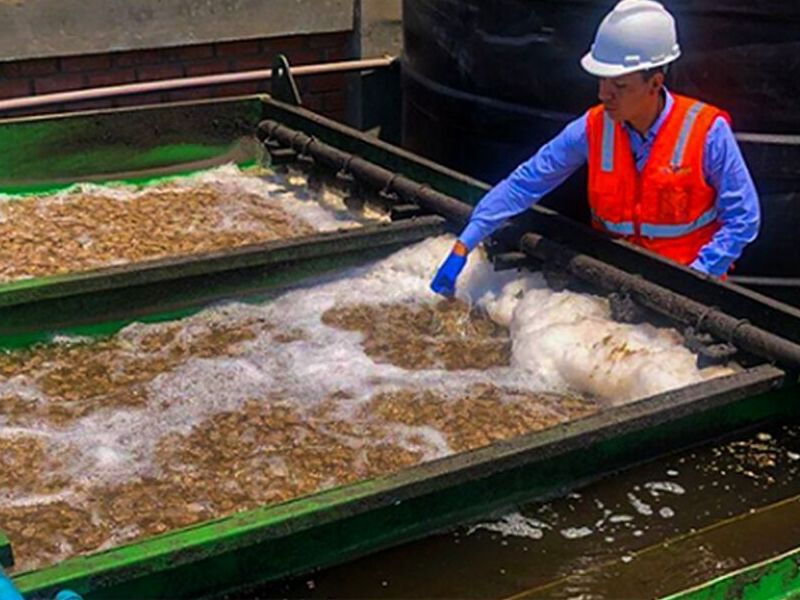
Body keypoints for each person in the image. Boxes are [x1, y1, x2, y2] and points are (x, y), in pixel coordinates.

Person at [431, 0, 760, 297]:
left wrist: (697, 278)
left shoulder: (706, 132)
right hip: (614, 287)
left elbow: (743, 218)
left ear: (655, 84)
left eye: (619, 85)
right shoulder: (592, 129)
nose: (605, 94)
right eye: (601, 81)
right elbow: (525, 183)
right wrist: (464, 244)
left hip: (689, 292)